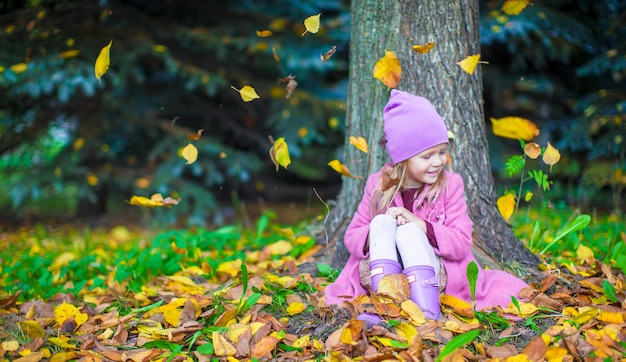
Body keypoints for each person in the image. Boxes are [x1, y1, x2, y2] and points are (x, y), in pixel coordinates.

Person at [324, 89, 529, 327]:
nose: (438, 162)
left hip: (431, 275)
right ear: (403, 158)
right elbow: (352, 237)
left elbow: (461, 242)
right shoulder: (379, 184)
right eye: (428, 156)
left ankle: (427, 311)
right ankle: (386, 307)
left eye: (442, 152)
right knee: (381, 222)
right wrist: (382, 229)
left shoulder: (450, 185)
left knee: (410, 231)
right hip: (386, 273)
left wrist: (419, 224)